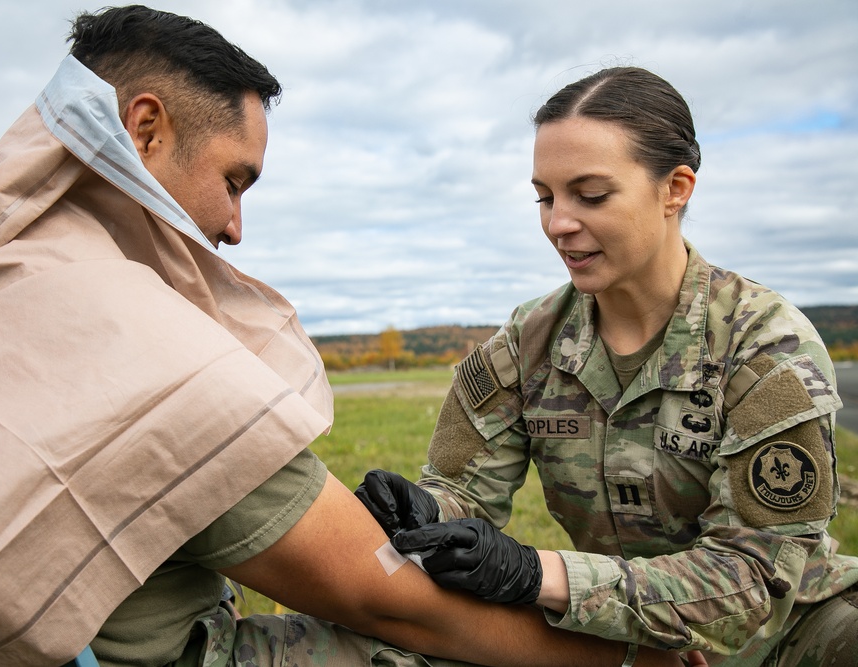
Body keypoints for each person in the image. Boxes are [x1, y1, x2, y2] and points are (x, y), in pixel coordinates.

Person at [0, 8, 698, 667]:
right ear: (145, 128)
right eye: (233, 180)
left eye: (589, 194)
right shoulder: (142, 353)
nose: (233, 225)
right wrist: (621, 655)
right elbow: (386, 598)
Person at [357, 66, 858, 667]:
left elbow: (749, 583)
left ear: (675, 188)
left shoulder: (764, 346)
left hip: (789, 637)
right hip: (615, 638)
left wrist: (529, 573)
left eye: (590, 195)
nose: (557, 223)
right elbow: (464, 493)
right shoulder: (528, 343)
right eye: (544, 197)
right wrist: (425, 511)